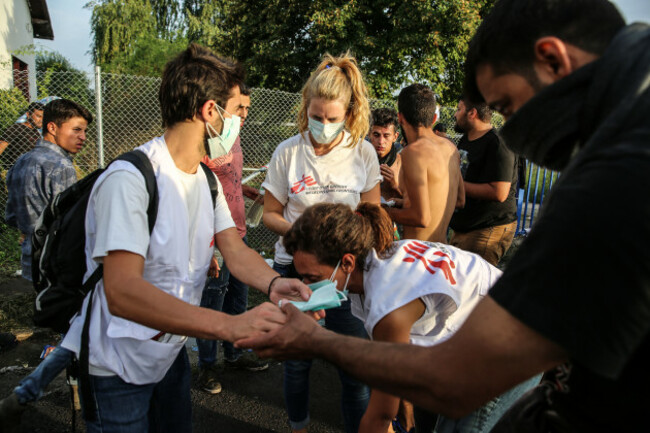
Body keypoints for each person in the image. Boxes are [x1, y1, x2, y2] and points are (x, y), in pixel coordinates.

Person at [237, 0, 650, 431]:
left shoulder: (619, 175)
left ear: (552, 59)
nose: (512, 132)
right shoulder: (625, 132)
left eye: (507, 106)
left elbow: (452, 381)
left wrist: (318, 342)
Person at [57, 44, 310, 433]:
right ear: (210, 111)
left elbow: (234, 249)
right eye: (236, 111)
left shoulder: (205, 180)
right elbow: (122, 292)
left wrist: (275, 283)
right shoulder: (130, 179)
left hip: (170, 353)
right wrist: (229, 326)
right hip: (116, 365)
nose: (239, 122)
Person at [283, 202, 540, 433]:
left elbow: (380, 416)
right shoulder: (375, 259)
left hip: (518, 340)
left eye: (313, 279)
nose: (306, 286)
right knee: (425, 415)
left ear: (348, 263)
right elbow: (400, 370)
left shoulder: (388, 302)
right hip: (494, 323)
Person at [262, 52, 381, 433]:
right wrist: (301, 238)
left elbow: (372, 215)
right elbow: (270, 213)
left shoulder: (362, 152)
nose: (323, 125)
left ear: (349, 114)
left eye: (332, 119)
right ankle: (298, 426)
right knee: (297, 363)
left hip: (345, 278)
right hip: (296, 272)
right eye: (316, 116)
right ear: (306, 108)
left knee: (355, 367)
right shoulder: (288, 152)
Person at [0, 99, 93, 433]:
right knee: (78, 325)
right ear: (52, 127)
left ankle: (45, 389)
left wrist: (32, 234)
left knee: (66, 324)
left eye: (85, 130)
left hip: (32, 258)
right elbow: (71, 224)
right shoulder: (61, 167)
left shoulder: (22, 161)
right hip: (60, 263)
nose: (83, 137)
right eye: (77, 129)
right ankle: (79, 393)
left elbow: (12, 215)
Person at [196, 82, 267, 396]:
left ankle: (235, 354)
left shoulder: (231, 136)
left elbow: (228, 181)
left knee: (237, 298)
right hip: (215, 240)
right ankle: (207, 366)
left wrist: (247, 191)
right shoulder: (202, 143)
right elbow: (196, 198)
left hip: (238, 233)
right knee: (212, 303)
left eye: (248, 108)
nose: (244, 115)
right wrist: (206, 247)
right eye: (240, 108)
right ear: (216, 106)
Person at [386, 84, 464, 244]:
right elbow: (460, 200)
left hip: (417, 254)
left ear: (400, 118)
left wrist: (384, 211)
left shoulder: (412, 152)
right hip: (441, 250)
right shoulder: (451, 149)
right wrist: (402, 203)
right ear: (434, 118)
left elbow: (421, 217)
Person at [449, 98, 517, 266]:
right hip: (465, 225)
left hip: (487, 228)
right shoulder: (466, 139)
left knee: (473, 288)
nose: (455, 114)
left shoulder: (498, 143)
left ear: (472, 113)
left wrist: (455, 184)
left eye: (459, 109)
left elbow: (499, 192)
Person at [369, 108, 403, 202]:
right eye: (376, 135)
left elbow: (411, 207)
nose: (381, 142)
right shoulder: (358, 161)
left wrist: (394, 187)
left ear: (395, 137)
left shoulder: (403, 165)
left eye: (386, 136)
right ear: (369, 134)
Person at [0, 101, 44, 170]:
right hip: (17, 171)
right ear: (28, 115)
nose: (41, 120)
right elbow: (1, 146)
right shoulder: (16, 128)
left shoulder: (37, 133)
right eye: (38, 116)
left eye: (43, 117)